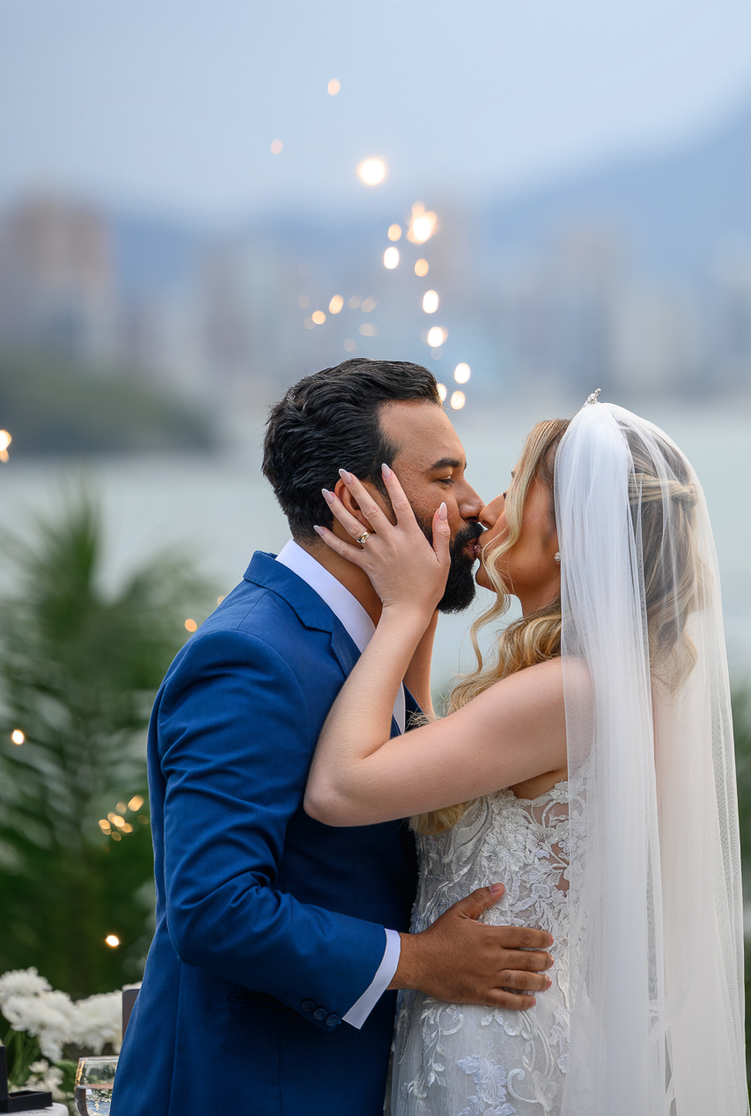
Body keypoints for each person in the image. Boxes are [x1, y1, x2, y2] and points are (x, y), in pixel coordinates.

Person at [113, 359, 554, 1116]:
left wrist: (412, 613)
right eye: (445, 477)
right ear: (355, 503)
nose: (474, 505)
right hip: (250, 1092)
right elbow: (214, 907)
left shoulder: (370, 640)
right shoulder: (252, 656)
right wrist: (420, 962)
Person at [305, 397, 749, 1116]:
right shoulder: (618, 683)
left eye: (515, 487)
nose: (486, 509)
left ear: (573, 532)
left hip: (487, 1048)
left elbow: (339, 787)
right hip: (517, 1023)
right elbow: (424, 759)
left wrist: (406, 610)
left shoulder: (567, 691)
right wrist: (424, 602)